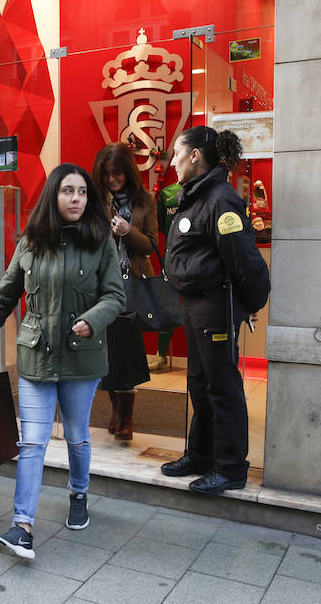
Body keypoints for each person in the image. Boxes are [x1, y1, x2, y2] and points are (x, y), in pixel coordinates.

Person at [0, 163, 124, 559]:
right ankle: (22, 526)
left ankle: (79, 493)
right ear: (54, 195)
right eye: (68, 191)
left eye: (82, 192)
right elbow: (3, 297)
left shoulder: (100, 240)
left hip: (82, 360)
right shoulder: (31, 242)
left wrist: (91, 319)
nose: (76, 199)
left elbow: (115, 297)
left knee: (76, 435)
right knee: (32, 441)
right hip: (37, 357)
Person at [161, 126, 270, 496]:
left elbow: (242, 258)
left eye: (177, 152)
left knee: (221, 387)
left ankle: (230, 468)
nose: (172, 160)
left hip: (214, 306)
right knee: (199, 384)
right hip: (195, 305)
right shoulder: (195, 196)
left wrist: (250, 303)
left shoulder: (221, 199)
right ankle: (201, 454)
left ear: (195, 155)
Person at [91, 142, 157, 441]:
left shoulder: (146, 200)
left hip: (133, 283)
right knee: (106, 352)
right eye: (106, 174)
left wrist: (127, 231)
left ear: (128, 171)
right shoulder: (94, 200)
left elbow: (151, 246)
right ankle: (116, 410)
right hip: (100, 285)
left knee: (127, 352)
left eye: (117, 173)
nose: (111, 179)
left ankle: (126, 416)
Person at [150, 178, 182, 372]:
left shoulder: (203, 189)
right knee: (166, 305)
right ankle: (161, 353)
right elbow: (161, 224)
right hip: (170, 258)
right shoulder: (167, 193)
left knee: (197, 307)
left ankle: (200, 356)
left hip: (198, 260)